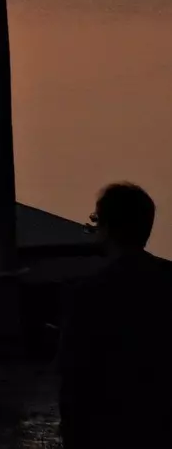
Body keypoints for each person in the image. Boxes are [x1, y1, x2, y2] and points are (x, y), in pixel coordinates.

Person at [59, 182, 172, 448]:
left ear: (106, 229)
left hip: (111, 429)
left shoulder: (87, 294)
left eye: (96, 219)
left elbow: (74, 377)